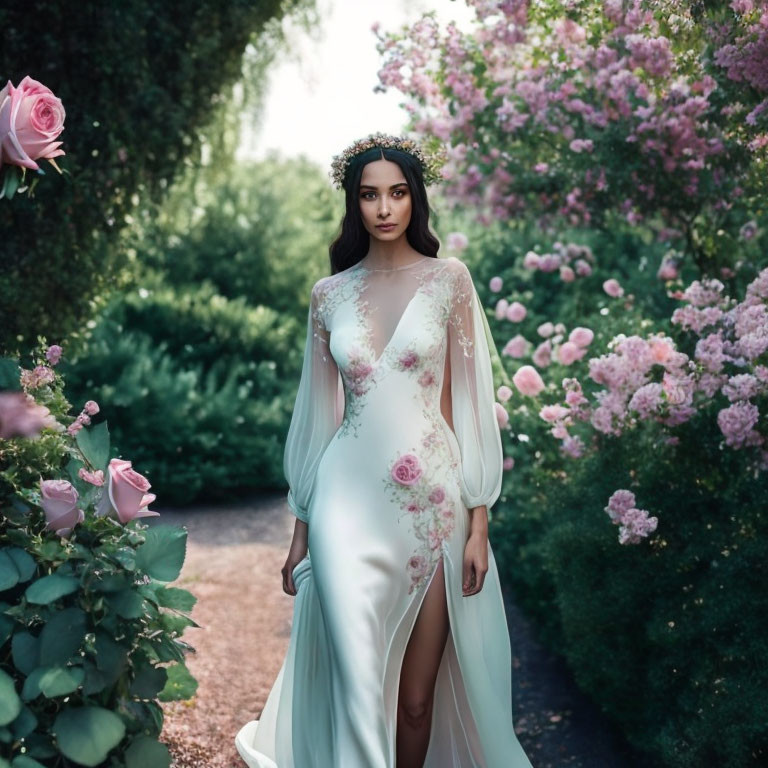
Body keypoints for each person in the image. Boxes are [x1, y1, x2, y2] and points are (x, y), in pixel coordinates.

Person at [235, 132, 533, 768]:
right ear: (354, 204)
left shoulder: (450, 280)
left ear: (415, 199)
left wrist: (479, 520)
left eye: (397, 193)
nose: (384, 208)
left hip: (433, 503)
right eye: (369, 195)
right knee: (358, 687)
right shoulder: (329, 295)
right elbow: (316, 423)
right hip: (345, 502)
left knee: (417, 701)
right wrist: (300, 531)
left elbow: (469, 408)